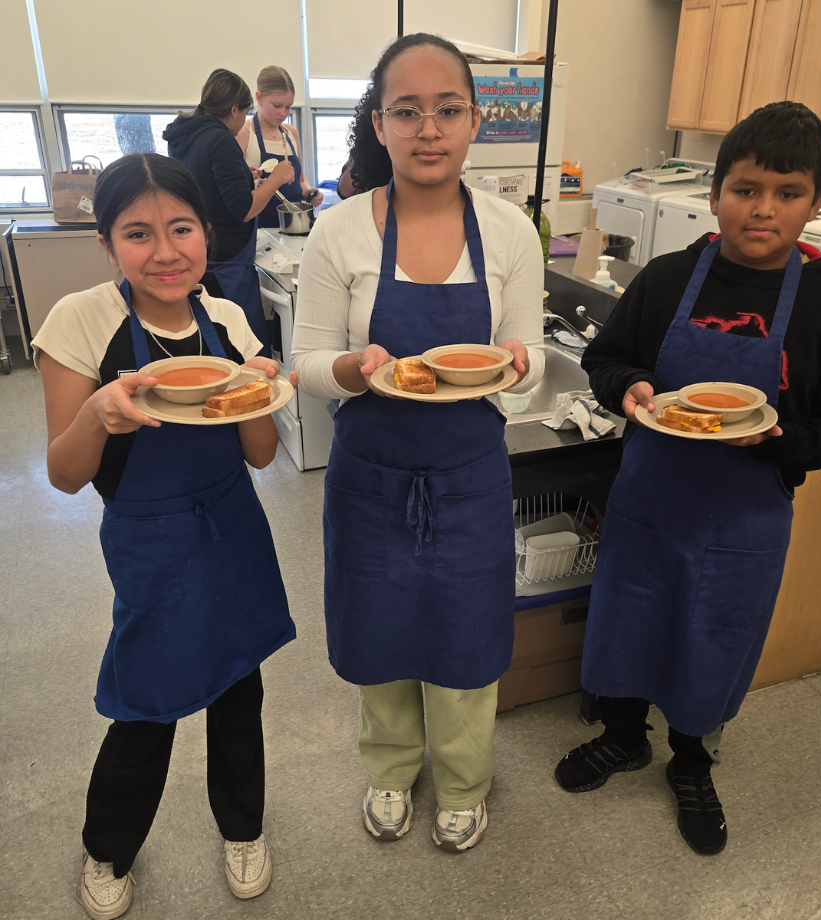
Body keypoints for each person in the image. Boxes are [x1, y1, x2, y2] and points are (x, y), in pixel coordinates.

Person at [554, 102, 821, 856]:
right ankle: (624, 737)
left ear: (816, 203)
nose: (763, 209)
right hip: (648, 503)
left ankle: (693, 763)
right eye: (746, 189)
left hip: (745, 518)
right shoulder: (669, 278)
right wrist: (629, 385)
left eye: (788, 193)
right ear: (715, 192)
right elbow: (606, 359)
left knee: (717, 637)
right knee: (628, 621)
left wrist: (780, 440)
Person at [291, 33, 544, 851]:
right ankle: (392, 769)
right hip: (371, 476)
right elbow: (306, 363)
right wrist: (357, 369)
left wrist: (519, 362)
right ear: (380, 123)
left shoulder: (511, 231)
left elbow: (533, 357)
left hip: (469, 475)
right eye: (406, 111)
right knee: (379, 629)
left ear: (474, 121)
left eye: (447, 110)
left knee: (467, 634)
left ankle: (465, 781)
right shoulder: (338, 232)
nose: (427, 129)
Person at [31, 154, 297, 919]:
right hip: (149, 536)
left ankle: (242, 827)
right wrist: (97, 414)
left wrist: (261, 393)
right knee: (148, 699)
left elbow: (260, 456)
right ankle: (108, 848)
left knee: (239, 685)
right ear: (107, 244)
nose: (165, 251)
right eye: (138, 233)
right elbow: (64, 474)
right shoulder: (81, 321)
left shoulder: (228, 320)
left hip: (234, 525)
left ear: (205, 232)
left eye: (181, 228)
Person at [163, 68, 295, 351]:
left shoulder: (186, 133)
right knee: (241, 344)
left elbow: (208, 185)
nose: (243, 120)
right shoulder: (220, 139)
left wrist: (246, 177)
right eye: (245, 112)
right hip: (228, 263)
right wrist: (276, 178)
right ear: (234, 109)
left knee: (213, 339)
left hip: (205, 251)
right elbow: (243, 209)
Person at [235, 65, 323, 227]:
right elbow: (236, 195)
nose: (283, 113)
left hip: (294, 227)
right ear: (259, 98)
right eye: (277, 106)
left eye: (288, 107)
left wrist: (309, 193)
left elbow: (300, 182)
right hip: (259, 229)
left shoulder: (291, 133)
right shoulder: (244, 133)